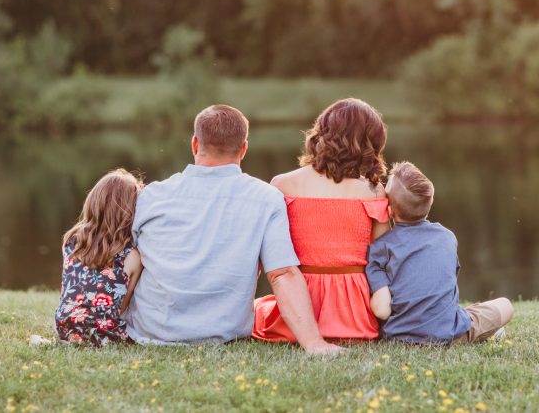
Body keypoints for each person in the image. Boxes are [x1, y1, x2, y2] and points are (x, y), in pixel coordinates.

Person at [125, 104, 341, 353]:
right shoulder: (266, 199)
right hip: (222, 335)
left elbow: (126, 263)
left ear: (195, 144)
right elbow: (283, 275)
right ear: (244, 149)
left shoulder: (152, 195)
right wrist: (314, 343)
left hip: (149, 331)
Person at [253, 98, 390, 342]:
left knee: (257, 309)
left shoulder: (283, 184)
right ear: (370, 143)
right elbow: (383, 258)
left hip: (298, 305)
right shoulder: (374, 191)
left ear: (322, 134)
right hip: (355, 315)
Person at [366, 161, 514, 345]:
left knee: (467, 313)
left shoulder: (380, 248)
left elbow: (381, 311)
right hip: (448, 334)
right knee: (505, 305)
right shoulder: (446, 237)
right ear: (431, 202)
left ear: (389, 210)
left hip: (399, 338)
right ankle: (487, 330)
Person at [54, 169, 144, 345]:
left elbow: (68, 290)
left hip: (63, 329)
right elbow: (122, 308)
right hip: (106, 336)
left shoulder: (72, 241)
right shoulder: (133, 257)